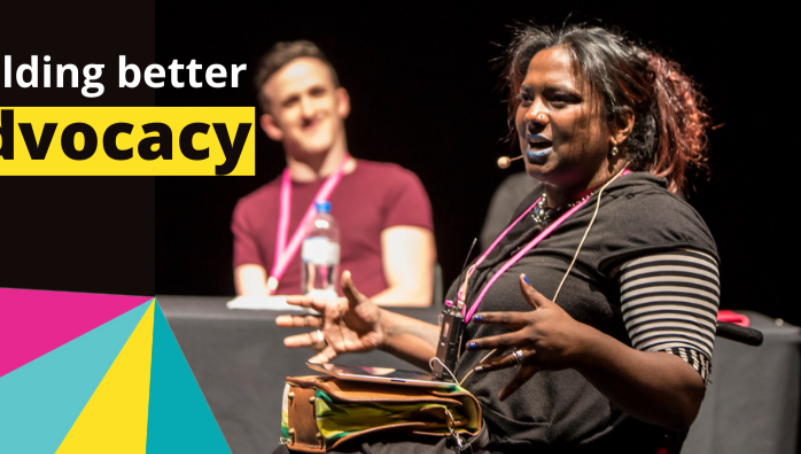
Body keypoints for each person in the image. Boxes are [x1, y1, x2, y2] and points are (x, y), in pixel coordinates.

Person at [275, 24, 719, 453]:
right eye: (526, 98)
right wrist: (384, 327)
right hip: (467, 433)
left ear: (619, 125)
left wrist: (584, 346)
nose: (534, 115)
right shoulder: (538, 209)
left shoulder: (654, 219)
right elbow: (488, 352)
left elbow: (681, 395)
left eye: (559, 99)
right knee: (309, 440)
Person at [232, 41, 437, 306]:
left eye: (316, 93)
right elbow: (250, 312)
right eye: (291, 102)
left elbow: (413, 295)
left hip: (371, 343)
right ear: (271, 125)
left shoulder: (396, 185)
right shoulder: (251, 210)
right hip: (279, 341)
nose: (308, 111)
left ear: (341, 102)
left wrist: (334, 324)